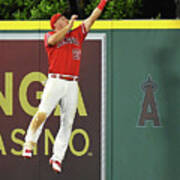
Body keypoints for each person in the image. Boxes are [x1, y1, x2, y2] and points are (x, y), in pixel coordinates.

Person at [22, 0, 110, 174]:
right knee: (42, 113)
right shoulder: (50, 36)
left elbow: (92, 18)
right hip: (56, 80)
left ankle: (57, 157)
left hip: (71, 83)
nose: (65, 19)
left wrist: (103, 3)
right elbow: (55, 38)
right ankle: (28, 144)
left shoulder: (77, 34)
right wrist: (68, 25)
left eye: (65, 18)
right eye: (61, 18)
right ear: (56, 24)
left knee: (68, 122)